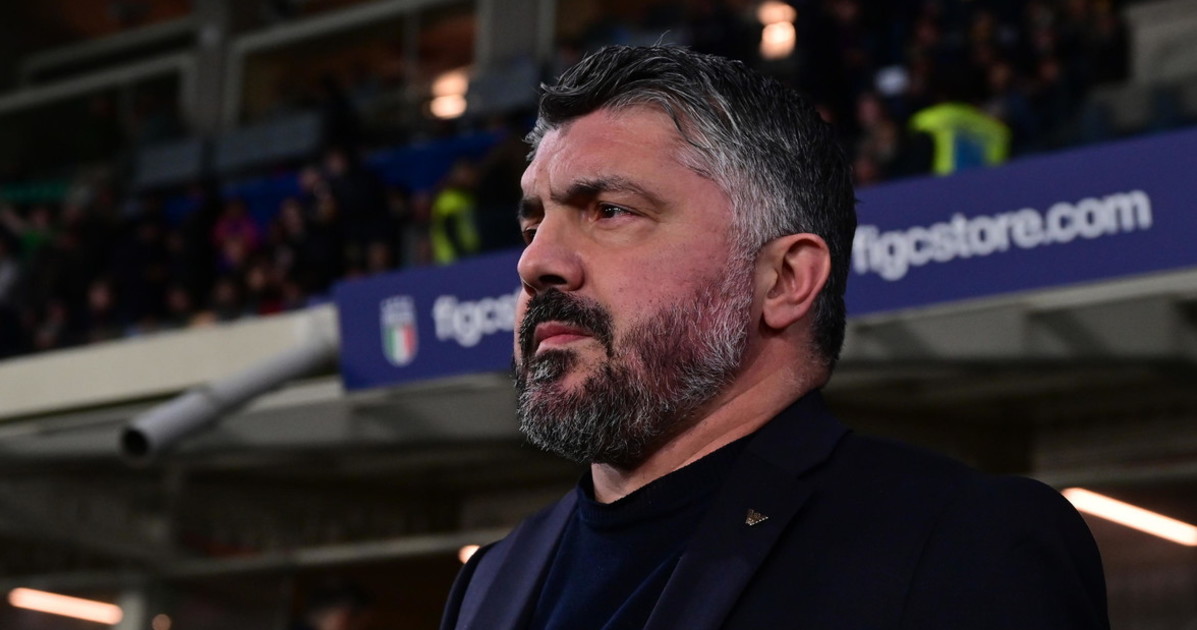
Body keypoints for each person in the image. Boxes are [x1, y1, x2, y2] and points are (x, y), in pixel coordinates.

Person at [441, 45, 1108, 630]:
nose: (535, 262)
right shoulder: (490, 581)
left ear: (785, 279)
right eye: (532, 227)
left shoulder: (962, 542)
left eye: (610, 211)